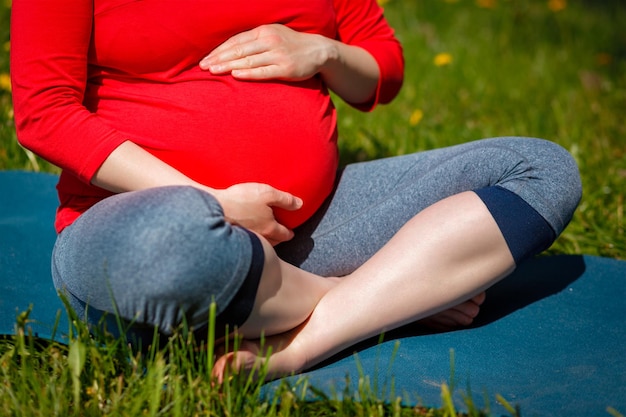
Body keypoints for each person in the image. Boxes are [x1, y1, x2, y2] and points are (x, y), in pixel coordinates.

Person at [10, 0, 581, 379]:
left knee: (541, 169)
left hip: (312, 227)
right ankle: (391, 292)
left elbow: (383, 68)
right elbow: (43, 113)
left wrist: (324, 52)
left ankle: (300, 343)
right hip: (143, 231)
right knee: (175, 245)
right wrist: (210, 203)